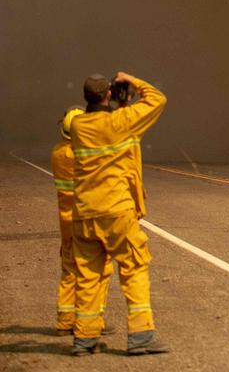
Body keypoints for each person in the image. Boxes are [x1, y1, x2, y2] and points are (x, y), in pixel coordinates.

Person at [70, 72, 168, 357]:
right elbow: (157, 99)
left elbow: (105, 127)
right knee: (134, 267)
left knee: (88, 276)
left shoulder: (77, 126)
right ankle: (140, 336)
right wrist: (131, 80)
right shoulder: (121, 122)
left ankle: (84, 339)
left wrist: (119, 104)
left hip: (85, 213)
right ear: (109, 94)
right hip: (116, 210)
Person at [51, 108, 112, 335]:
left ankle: (65, 320)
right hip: (88, 219)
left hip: (66, 221)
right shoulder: (87, 154)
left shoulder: (58, 153)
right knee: (99, 270)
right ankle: (92, 320)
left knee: (69, 268)